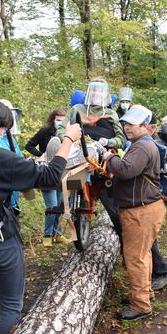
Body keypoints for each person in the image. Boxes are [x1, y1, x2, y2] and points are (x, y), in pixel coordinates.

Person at [0, 97, 81, 334]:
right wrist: (69, 139)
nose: (4, 131)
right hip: (0, 242)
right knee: (11, 303)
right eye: (3, 126)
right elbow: (51, 175)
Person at [102, 105, 166, 321]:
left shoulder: (142, 147)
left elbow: (126, 170)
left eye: (132, 124)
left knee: (135, 258)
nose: (126, 127)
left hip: (140, 212)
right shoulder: (142, 144)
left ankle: (140, 305)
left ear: (145, 126)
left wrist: (108, 157)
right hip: (145, 208)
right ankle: (144, 293)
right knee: (143, 255)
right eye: (125, 123)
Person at [58, 79, 127, 233]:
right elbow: (61, 129)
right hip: (76, 148)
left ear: (106, 94)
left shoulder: (110, 114)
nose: (96, 94)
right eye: (93, 90)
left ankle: (124, 239)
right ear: (88, 92)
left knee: (113, 209)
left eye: (99, 91)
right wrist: (68, 138)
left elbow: (121, 139)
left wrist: (108, 141)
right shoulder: (77, 109)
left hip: (100, 157)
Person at [25, 109, 70, 246]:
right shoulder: (45, 132)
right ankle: (47, 236)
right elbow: (29, 145)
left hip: (62, 171)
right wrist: (41, 154)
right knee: (51, 206)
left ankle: (58, 233)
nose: (60, 122)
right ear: (52, 120)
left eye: (63, 119)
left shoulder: (66, 134)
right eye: (58, 119)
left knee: (60, 206)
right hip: (46, 171)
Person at [144, 113, 167, 291]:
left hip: (151, 199)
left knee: (149, 238)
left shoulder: (154, 146)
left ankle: (162, 273)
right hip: (152, 198)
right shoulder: (152, 143)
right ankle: (157, 273)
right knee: (149, 238)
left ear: (152, 127)